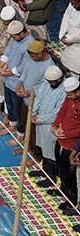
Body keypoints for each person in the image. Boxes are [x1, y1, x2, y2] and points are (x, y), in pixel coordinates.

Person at [9, 39, 54, 149]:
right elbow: (26, 70)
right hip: (26, 100)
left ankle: (35, 153)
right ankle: (27, 146)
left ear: (40, 53)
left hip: (36, 103)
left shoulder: (50, 67)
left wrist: (31, 92)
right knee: (24, 123)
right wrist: (20, 83)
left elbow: (46, 86)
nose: (32, 58)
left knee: (34, 131)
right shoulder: (32, 58)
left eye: (34, 56)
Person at [0, 21, 34, 141]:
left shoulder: (30, 44)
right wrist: (2, 64)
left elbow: (26, 65)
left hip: (18, 82)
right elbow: (9, 51)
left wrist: (11, 71)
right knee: (10, 105)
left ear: (21, 33)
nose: (12, 38)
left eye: (14, 36)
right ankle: (12, 126)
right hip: (8, 79)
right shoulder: (16, 39)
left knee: (18, 111)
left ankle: (20, 135)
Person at [32, 65, 67, 183]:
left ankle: (51, 176)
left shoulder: (64, 90)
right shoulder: (47, 84)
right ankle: (45, 170)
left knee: (51, 150)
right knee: (43, 146)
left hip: (51, 125)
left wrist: (40, 119)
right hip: (40, 121)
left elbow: (58, 113)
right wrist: (33, 113)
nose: (50, 83)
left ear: (59, 79)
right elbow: (39, 97)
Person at [51, 76, 80, 205]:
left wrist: (67, 134)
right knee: (60, 167)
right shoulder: (69, 99)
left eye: (70, 94)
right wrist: (54, 127)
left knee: (69, 175)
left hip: (71, 145)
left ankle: (72, 198)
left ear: (78, 92)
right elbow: (62, 111)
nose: (68, 97)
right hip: (61, 141)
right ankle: (63, 190)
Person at [59, 0, 80, 75]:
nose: (73, 5)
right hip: (69, 42)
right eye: (71, 3)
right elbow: (66, 17)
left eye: (75, 3)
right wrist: (62, 34)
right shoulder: (72, 5)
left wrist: (70, 39)